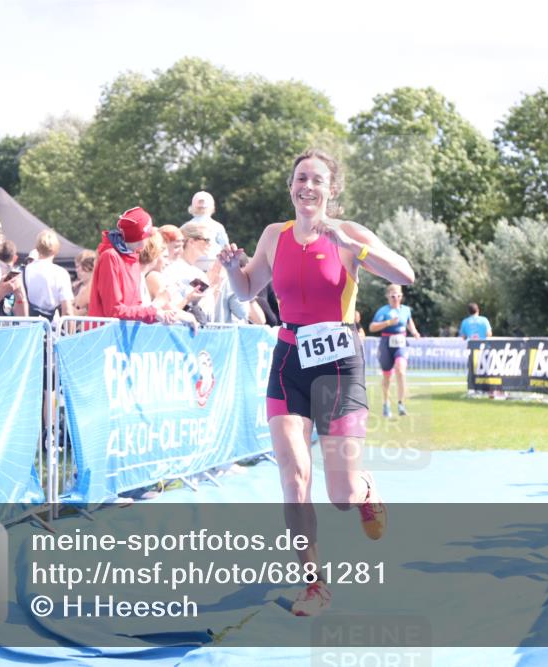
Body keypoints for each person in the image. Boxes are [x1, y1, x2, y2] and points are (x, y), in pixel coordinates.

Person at [218, 148, 415, 617]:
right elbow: (247, 289)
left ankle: (364, 490)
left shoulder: (349, 235)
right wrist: (230, 268)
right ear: (291, 186)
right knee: (294, 476)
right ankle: (314, 585)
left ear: (331, 190)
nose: (308, 186)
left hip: (340, 364)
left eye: (317, 180)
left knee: (341, 496)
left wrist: (352, 246)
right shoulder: (273, 235)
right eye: (300, 178)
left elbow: (406, 273)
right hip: (289, 360)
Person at [88, 207, 179, 324]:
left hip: (123, 336)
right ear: (142, 237)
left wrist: (158, 315)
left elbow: (136, 309)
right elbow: (114, 311)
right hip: (106, 337)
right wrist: (155, 307)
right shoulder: (110, 257)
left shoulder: (133, 258)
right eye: (149, 234)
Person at [370, 283, 421, 418]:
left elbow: (409, 321)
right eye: (392, 296)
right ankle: (386, 404)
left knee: (401, 370)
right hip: (386, 344)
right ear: (388, 296)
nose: (395, 298)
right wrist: (388, 323)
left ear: (401, 296)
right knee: (387, 376)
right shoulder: (383, 311)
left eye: (398, 295)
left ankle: (401, 404)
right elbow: (372, 327)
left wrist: (414, 332)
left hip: (401, 343)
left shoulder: (406, 310)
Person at [24, 229, 75, 319]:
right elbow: (67, 311)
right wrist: (70, 332)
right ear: (56, 249)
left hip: (28, 326)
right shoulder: (60, 273)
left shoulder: (25, 270)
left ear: (37, 248)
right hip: (51, 327)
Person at [180, 191, 228, 272]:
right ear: (212, 207)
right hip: (213, 267)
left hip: (190, 266)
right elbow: (226, 247)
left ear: (192, 207)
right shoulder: (218, 226)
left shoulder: (185, 227)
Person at [71, 250, 95, 316]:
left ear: (87, 266)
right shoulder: (75, 287)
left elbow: (75, 312)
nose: (76, 270)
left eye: (78, 266)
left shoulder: (94, 288)